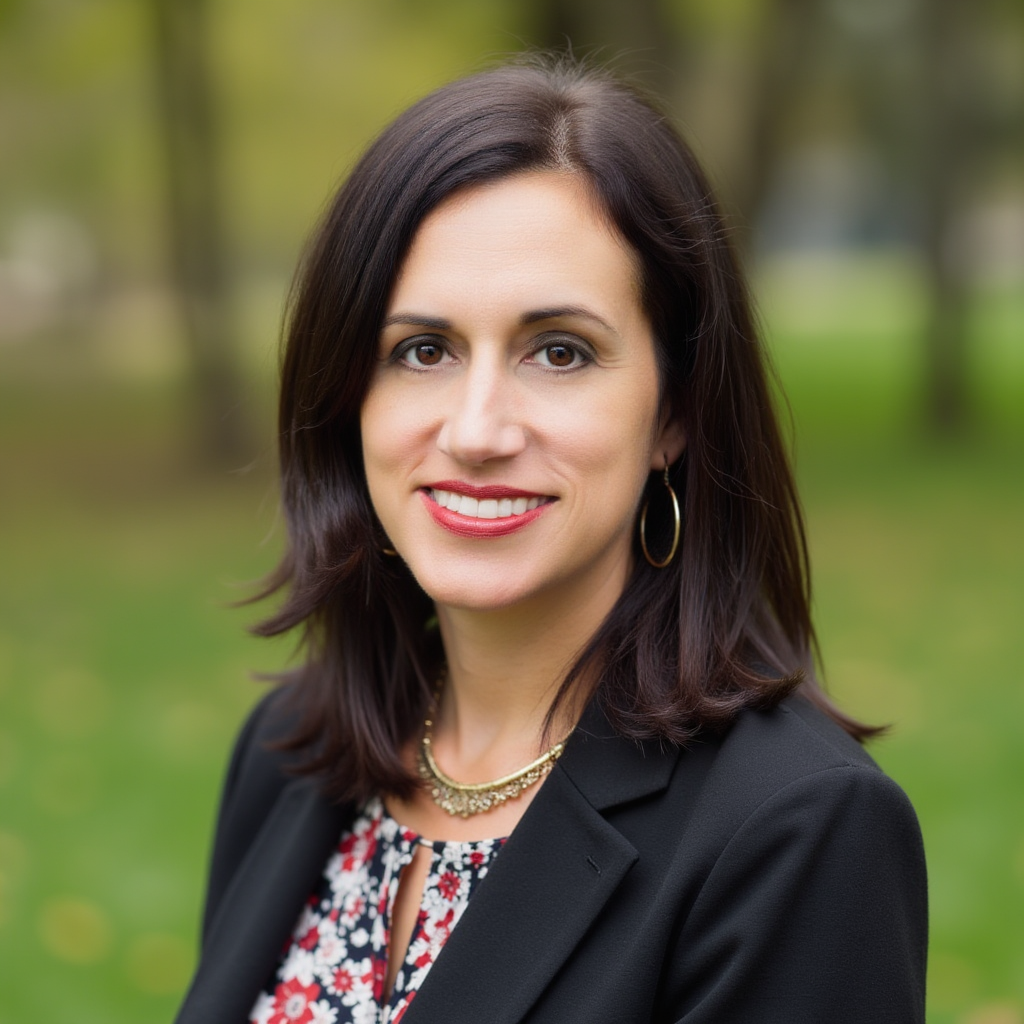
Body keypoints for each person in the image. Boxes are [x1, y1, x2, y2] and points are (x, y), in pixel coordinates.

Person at [174, 56, 927, 1024]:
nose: (477, 429)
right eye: (422, 350)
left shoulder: (795, 829)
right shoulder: (289, 752)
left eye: (559, 351)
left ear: (674, 411)